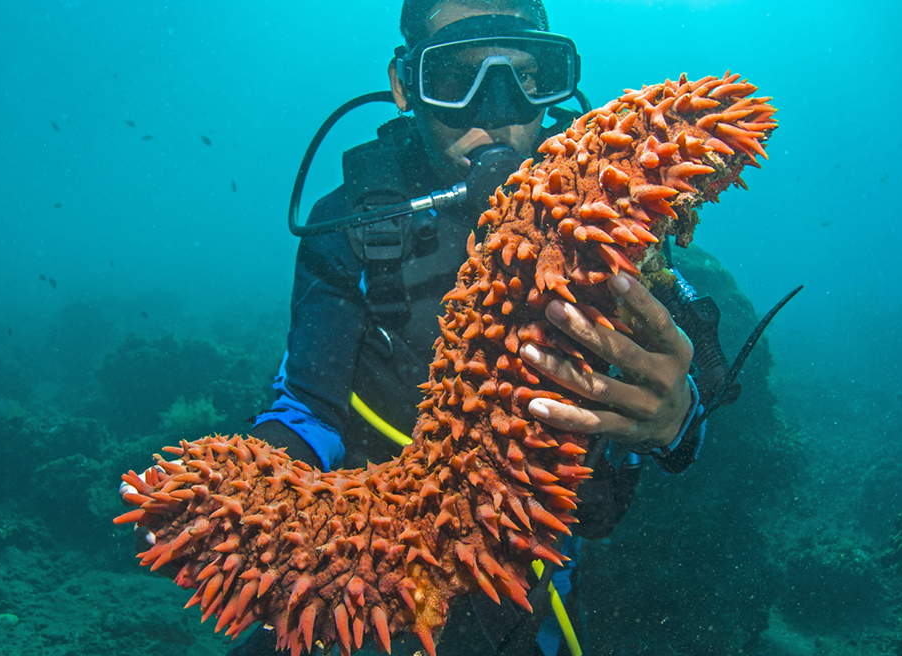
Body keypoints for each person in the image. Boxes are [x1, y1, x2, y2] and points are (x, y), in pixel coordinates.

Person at [232, 0, 718, 653]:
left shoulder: (621, 211)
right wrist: (257, 486)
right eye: (458, 79)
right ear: (405, 84)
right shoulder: (347, 223)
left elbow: (693, 393)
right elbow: (307, 405)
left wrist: (674, 422)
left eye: (528, 76)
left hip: (526, 571)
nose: (497, 112)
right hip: (378, 548)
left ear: (559, 80)